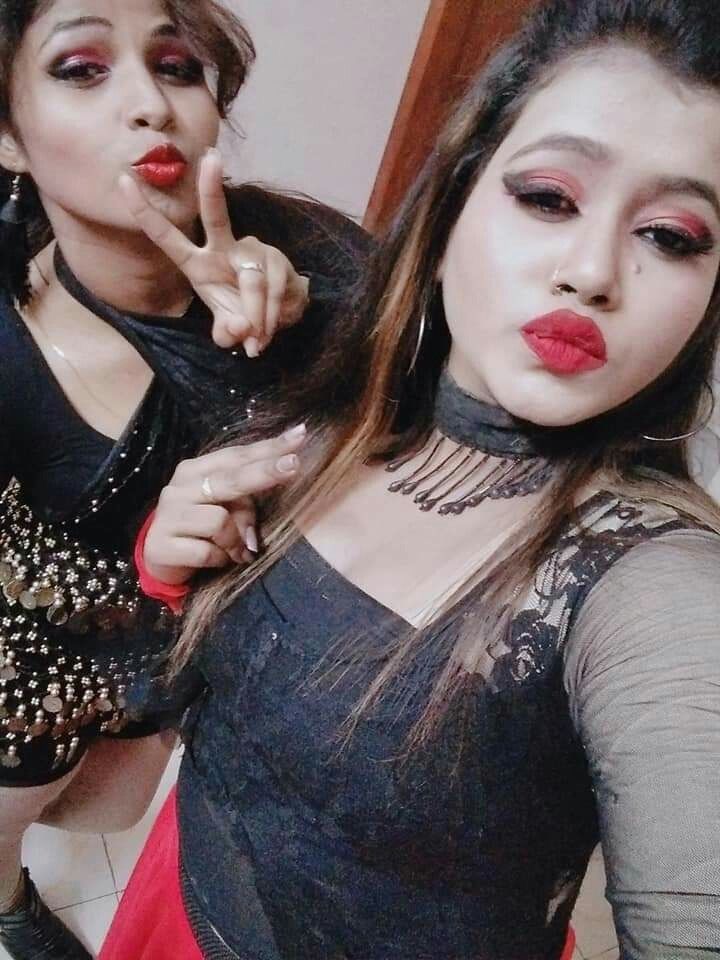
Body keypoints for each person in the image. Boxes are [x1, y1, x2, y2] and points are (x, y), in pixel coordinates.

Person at [104, 0, 720, 957]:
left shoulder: (650, 585)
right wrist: (168, 560)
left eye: (672, 236)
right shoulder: (329, 411)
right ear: (451, 211)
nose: (592, 271)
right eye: (549, 198)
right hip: (167, 904)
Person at [0, 1, 366, 958]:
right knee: (12, 808)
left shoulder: (321, 263)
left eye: (175, 65)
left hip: (185, 641)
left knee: (125, 805)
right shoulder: (11, 337)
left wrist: (306, 333)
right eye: (81, 68)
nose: (150, 104)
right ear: (9, 135)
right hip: (35, 647)